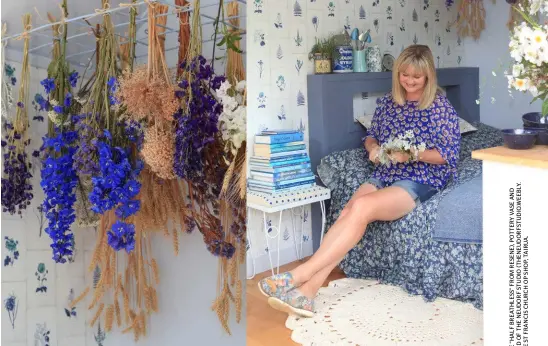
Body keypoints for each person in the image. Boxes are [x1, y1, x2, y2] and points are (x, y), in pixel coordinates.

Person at [258, 44, 461, 318]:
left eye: (417, 77)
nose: (410, 81)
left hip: (421, 177)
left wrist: (411, 154)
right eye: (404, 74)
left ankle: (297, 275)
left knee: (362, 208)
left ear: (428, 77)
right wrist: (373, 149)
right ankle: (308, 292)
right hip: (386, 172)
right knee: (349, 211)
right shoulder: (388, 102)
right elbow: (370, 135)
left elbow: (448, 156)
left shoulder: (440, 107)